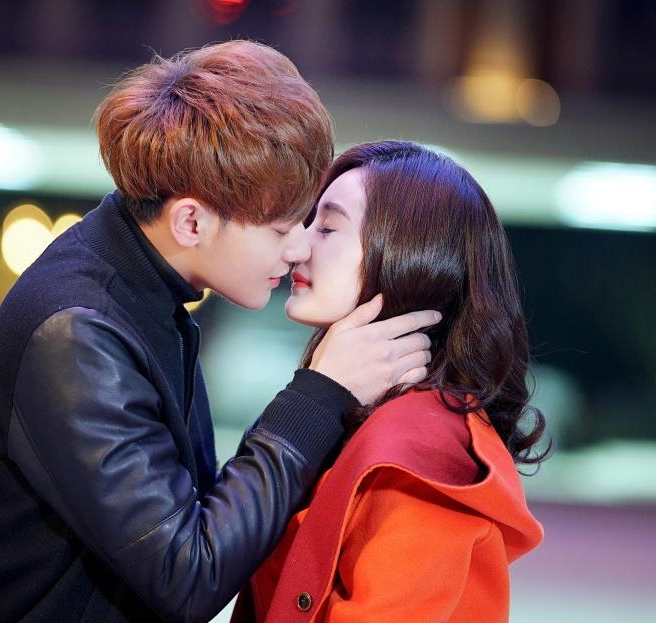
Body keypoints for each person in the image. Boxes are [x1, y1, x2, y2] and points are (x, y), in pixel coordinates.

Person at [0, 43, 440, 623]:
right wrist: (318, 396)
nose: (299, 248)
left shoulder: (139, 288)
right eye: (282, 229)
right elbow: (187, 574)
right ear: (191, 220)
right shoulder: (77, 333)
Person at [234, 141, 548, 622]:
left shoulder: (420, 443)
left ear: (410, 254)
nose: (297, 245)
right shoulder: (366, 416)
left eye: (328, 227)